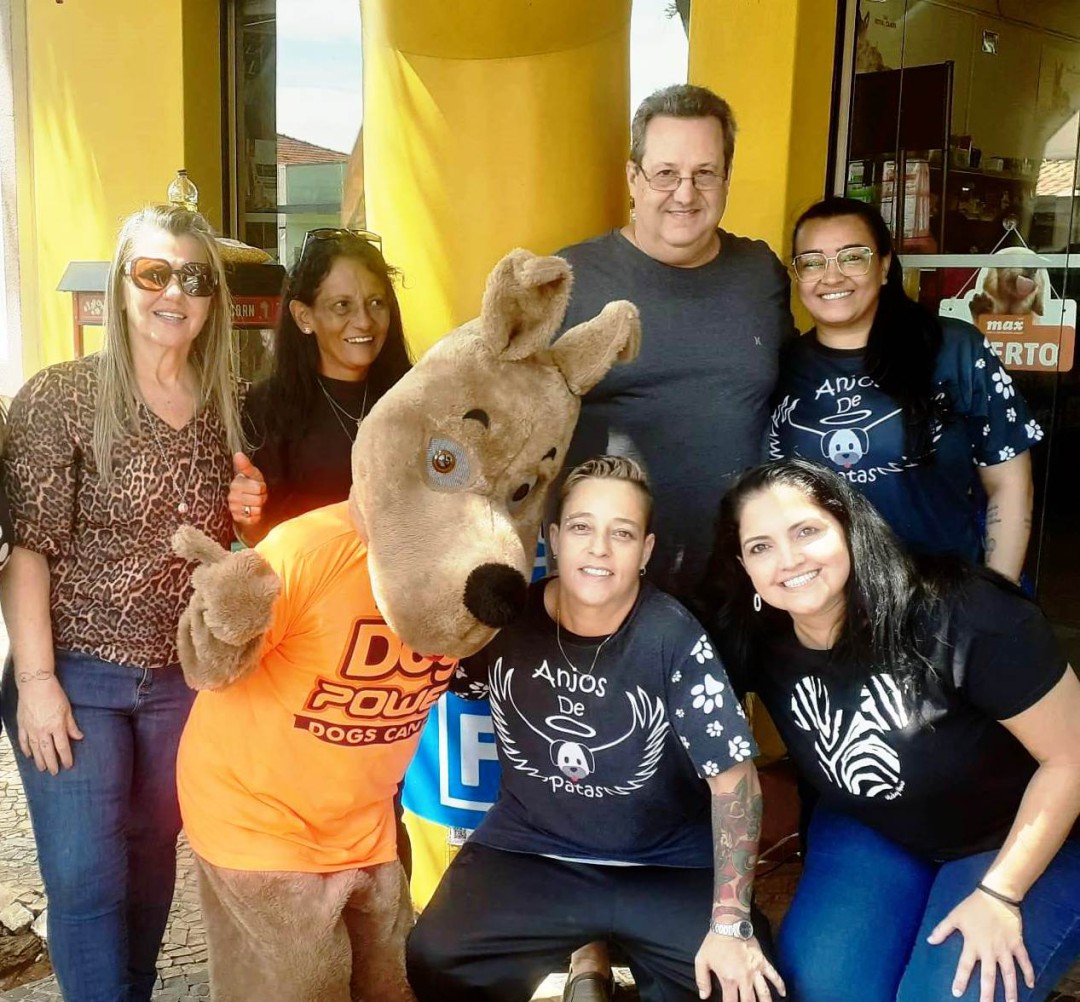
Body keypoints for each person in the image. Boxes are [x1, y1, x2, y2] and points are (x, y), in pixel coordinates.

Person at [407, 457, 785, 1002]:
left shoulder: (672, 636)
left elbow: (735, 781)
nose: (599, 548)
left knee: (745, 989)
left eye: (622, 533)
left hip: (664, 863)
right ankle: (586, 957)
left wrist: (730, 923)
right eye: (582, 527)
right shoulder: (509, 624)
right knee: (437, 958)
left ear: (646, 551)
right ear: (554, 538)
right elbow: (434, 675)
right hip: (532, 851)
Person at [703, 457, 1080, 1002]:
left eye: (806, 531)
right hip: (874, 827)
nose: (788, 560)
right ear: (743, 566)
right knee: (825, 991)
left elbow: (1071, 757)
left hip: (1018, 837)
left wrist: (1001, 893)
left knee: (942, 995)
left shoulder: (964, 613)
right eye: (761, 546)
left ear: (850, 527)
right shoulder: (757, 636)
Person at [0, 204, 244, 1002]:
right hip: (76, 676)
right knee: (86, 878)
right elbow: (27, 550)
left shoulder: (228, 404)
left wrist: (250, 510)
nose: (174, 292)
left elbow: (239, 541)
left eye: (193, 277)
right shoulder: (61, 397)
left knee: (148, 868)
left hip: (179, 679)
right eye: (153, 272)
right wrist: (36, 683)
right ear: (120, 284)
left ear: (211, 299)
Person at [555, 83, 793, 600]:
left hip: (745, 576)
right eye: (665, 173)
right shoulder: (569, 279)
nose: (685, 194)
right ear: (633, 177)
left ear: (727, 178)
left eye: (704, 173)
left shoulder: (759, 272)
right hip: (608, 581)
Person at [769, 197, 1038, 581]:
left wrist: (998, 593)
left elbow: (1009, 483)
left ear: (883, 266)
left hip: (941, 595)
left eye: (852, 257)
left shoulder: (953, 349)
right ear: (797, 275)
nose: (831, 276)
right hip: (822, 597)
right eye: (812, 262)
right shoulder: (782, 366)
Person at [229, 228, 412, 546]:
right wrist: (249, 512)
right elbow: (261, 539)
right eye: (342, 305)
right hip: (311, 577)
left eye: (376, 302)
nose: (364, 321)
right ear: (304, 317)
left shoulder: (418, 397)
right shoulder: (267, 408)